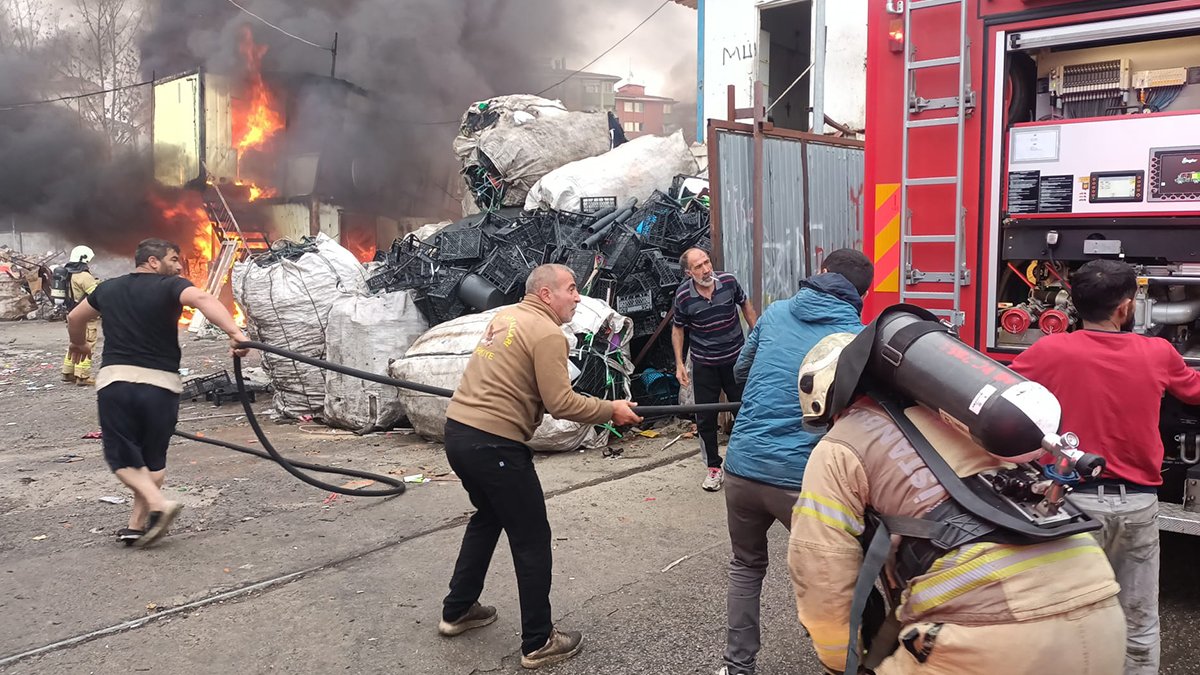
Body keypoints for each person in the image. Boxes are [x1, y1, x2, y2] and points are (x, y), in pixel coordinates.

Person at [788, 331, 1125, 675]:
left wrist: (838, 660)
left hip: (987, 639)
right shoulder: (966, 420)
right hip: (1102, 611)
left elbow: (822, 574)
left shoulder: (841, 444)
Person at [438, 264, 643, 670]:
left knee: (488, 517)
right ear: (546, 294)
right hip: (494, 444)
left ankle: (458, 609)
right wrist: (610, 410)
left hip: (458, 434)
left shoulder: (507, 316)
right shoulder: (548, 333)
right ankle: (538, 640)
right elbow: (561, 403)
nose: (578, 297)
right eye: (571, 289)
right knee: (531, 538)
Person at [1010, 259, 1200, 675]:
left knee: (1063, 618)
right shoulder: (1158, 353)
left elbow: (1003, 392)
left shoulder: (1048, 351)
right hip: (1136, 507)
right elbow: (1194, 391)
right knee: (1139, 620)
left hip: (1070, 508)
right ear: (1125, 308)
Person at [716, 249, 872, 675]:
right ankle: (838, 659)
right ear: (861, 295)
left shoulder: (776, 313)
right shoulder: (857, 338)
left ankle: (738, 666)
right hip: (804, 479)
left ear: (820, 274)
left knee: (746, 566)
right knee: (829, 572)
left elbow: (741, 370)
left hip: (743, 466)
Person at [66, 239, 249, 549]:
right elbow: (203, 298)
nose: (179, 266)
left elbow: (75, 318)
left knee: (122, 455)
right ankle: (137, 525)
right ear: (152, 261)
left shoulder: (108, 288)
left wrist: (80, 344)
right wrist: (235, 333)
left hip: (118, 384)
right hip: (162, 387)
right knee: (152, 460)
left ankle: (158, 505)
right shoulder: (171, 286)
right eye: (174, 259)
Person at [672, 248, 758, 492]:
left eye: (707, 262)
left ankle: (748, 464)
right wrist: (679, 363)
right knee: (706, 418)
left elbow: (745, 305)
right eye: (699, 266)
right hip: (704, 364)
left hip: (736, 361)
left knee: (745, 411)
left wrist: (757, 339)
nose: (706, 269)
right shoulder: (683, 297)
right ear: (689, 273)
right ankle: (713, 467)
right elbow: (678, 329)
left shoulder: (729, 282)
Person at [60, 245, 101, 385]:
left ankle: (68, 372)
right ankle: (83, 376)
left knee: (75, 343)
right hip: (85, 317)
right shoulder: (83, 276)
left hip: (71, 314)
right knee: (87, 344)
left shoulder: (67, 274)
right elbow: (97, 295)